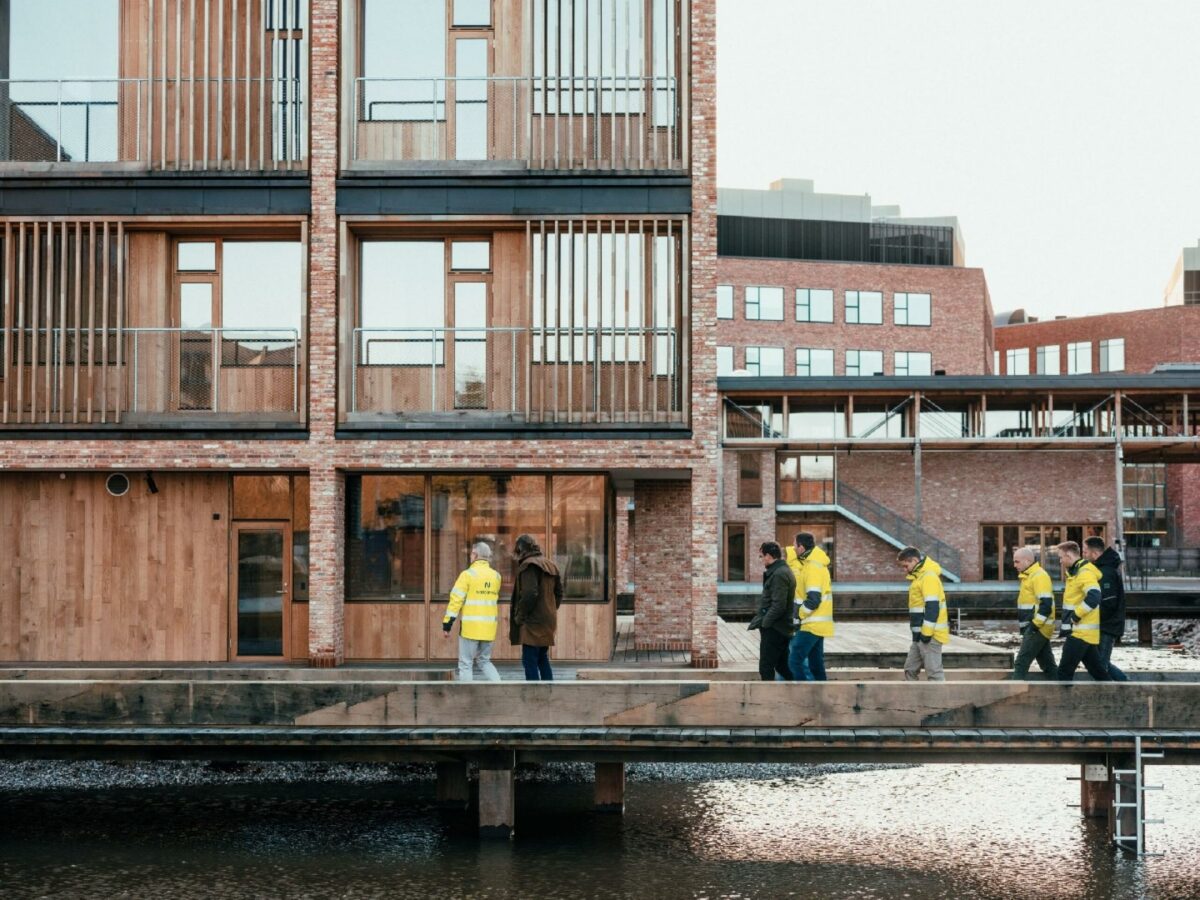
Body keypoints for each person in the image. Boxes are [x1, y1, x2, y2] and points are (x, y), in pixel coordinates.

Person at [442, 542, 502, 682]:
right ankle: (500, 687)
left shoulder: (467, 575)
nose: (470, 556)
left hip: (470, 628)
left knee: (466, 663)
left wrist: (447, 624)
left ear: (475, 555)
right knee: (484, 661)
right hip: (489, 628)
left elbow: (455, 600)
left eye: (471, 554)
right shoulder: (496, 576)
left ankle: (466, 697)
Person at [1055, 541, 1112, 682]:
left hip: (1080, 632)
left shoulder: (1084, 573)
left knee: (1064, 673)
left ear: (1068, 555)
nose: (1060, 561)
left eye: (1061, 557)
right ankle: (1117, 696)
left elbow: (1094, 596)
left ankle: (1061, 703)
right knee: (1097, 672)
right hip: (1083, 633)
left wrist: (1075, 616)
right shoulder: (1075, 572)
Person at [510, 533, 563, 681]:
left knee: (529, 660)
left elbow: (529, 594)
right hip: (547, 620)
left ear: (521, 549)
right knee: (542, 658)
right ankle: (548, 693)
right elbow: (559, 592)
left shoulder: (529, 565)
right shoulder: (550, 564)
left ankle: (534, 697)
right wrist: (551, 608)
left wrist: (519, 616)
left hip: (532, 621)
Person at [786, 532, 833, 681]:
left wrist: (799, 614)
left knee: (793, 661)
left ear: (801, 547)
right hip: (817, 624)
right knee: (815, 664)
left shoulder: (812, 566)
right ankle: (821, 696)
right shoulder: (812, 563)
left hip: (811, 624)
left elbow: (813, 599)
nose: (793, 548)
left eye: (794, 545)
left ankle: (802, 696)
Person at [897, 546, 948, 682]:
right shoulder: (918, 578)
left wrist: (926, 634)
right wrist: (917, 635)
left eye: (906, 565)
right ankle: (914, 701)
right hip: (919, 635)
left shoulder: (928, 577)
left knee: (934, 673)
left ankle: (940, 702)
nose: (904, 569)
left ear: (914, 560)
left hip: (930, 635)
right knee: (910, 669)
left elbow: (932, 608)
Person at [1083, 535, 1129, 682]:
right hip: (1102, 625)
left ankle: (1125, 687)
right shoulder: (1101, 570)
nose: (1083, 555)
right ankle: (1127, 685)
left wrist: (1091, 617)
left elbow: (1109, 603)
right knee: (1099, 664)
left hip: (1107, 626)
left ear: (1095, 554)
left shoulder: (1106, 573)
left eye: (1085, 551)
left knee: (1100, 666)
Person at [1010, 546, 1059, 680]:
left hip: (1038, 628)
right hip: (1036, 627)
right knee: (1047, 664)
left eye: (1017, 561)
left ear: (1027, 561)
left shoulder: (1039, 576)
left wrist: (1034, 626)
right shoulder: (1029, 576)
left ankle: (1013, 695)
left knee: (1021, 662)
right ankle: (1060, 692)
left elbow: (1046, 604)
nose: (1014, 565)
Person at [756, 541, 796, 681]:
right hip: (779, 627)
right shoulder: (779, 571)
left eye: (761, 556)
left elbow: (779, 605)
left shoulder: (779, 574)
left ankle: (768, 700)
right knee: (781, 666)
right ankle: (796, 692)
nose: (761, 560)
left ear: (768, 556)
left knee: (766, 666)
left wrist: (765, 623)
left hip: (775, 628)